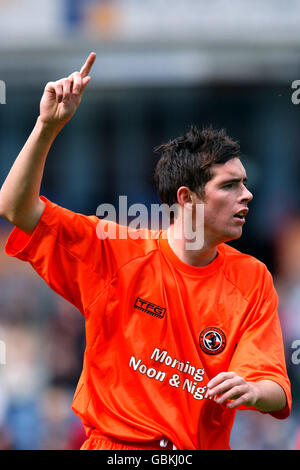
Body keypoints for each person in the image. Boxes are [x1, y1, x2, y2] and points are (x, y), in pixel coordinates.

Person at [0, 53, 292, 450]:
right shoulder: (115, 250)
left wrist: (253, 391)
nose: (247, 195)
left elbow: (274, 385)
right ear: (187, 198)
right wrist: (47, 127)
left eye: (244, 183)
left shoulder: (252, 278)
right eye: (229, 186)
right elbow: (15, 208)